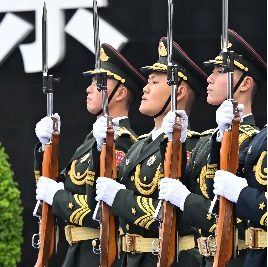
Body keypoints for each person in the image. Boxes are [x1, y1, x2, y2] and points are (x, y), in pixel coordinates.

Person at [95, 37, 207, 266]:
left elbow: (177, 215)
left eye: (155, 82)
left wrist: (119, 198)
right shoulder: (138, 146)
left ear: (179, 92)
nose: (145, 88)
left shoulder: (192, 147)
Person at [159, 29, 265, 266]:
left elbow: (233, 214)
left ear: (246, 83)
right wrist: (174, 144)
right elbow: (181, 188)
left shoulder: (253, 141)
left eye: (220, 72)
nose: (210, 78)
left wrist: (186, 200)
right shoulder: (207, 141)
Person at [34, 43, 146, 266]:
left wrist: (56, 196)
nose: (89, 89)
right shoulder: (90, 142)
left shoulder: (123, 143)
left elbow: (101, 210)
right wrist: (44, 149)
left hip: (98, 254)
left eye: (98, 83)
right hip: (77, 254)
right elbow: (55, 186)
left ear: (120, 93)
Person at [213, 125, 267, 267]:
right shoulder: (263, 134)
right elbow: (219, 182)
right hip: (255, 257)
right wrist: (220, 139)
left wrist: (242, 195)